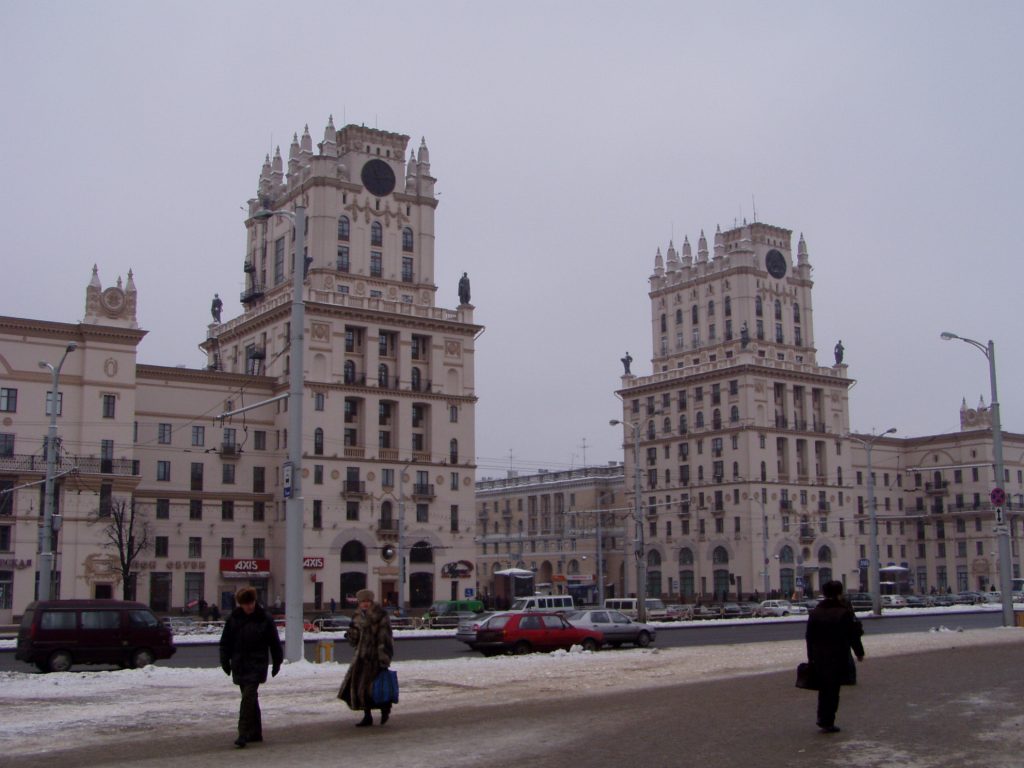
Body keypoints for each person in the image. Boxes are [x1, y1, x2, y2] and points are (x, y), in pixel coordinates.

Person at [219, 587, 283, 748]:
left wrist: (277, 662)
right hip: (240, 664)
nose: (249, 606)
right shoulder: (234, 619)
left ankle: (243, 732)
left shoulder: (264, 618)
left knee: (248, 697)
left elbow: (274, 642)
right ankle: (255, 732)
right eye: (246, 603)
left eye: (251, 602)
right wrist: (225, 661)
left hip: (257, 664)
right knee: (250, 699)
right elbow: (225, 643)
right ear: (240, 604)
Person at [805, 580, 865, 733]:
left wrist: (811, 656)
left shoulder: (816, 612)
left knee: (824, 688)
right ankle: (827, 720)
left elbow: (809, 637)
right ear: (839, 593)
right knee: (833, 689)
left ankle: (822, 717)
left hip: (819, 655)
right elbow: (853, 635)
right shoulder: (844, 612)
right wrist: (859, 652)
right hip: (837, 654)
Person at [337, 588, 394, 727]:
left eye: (368, 601)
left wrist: (383, 658)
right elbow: (355, 640)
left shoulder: (380, 615)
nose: (365, 604)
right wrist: (351, 635)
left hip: (375, 658)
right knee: (361, 689)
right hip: (361, 658)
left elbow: (385, 637)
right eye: (363, 601)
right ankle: (367, 715)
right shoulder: (356, 616)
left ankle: (385, 709)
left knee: (377, 688)